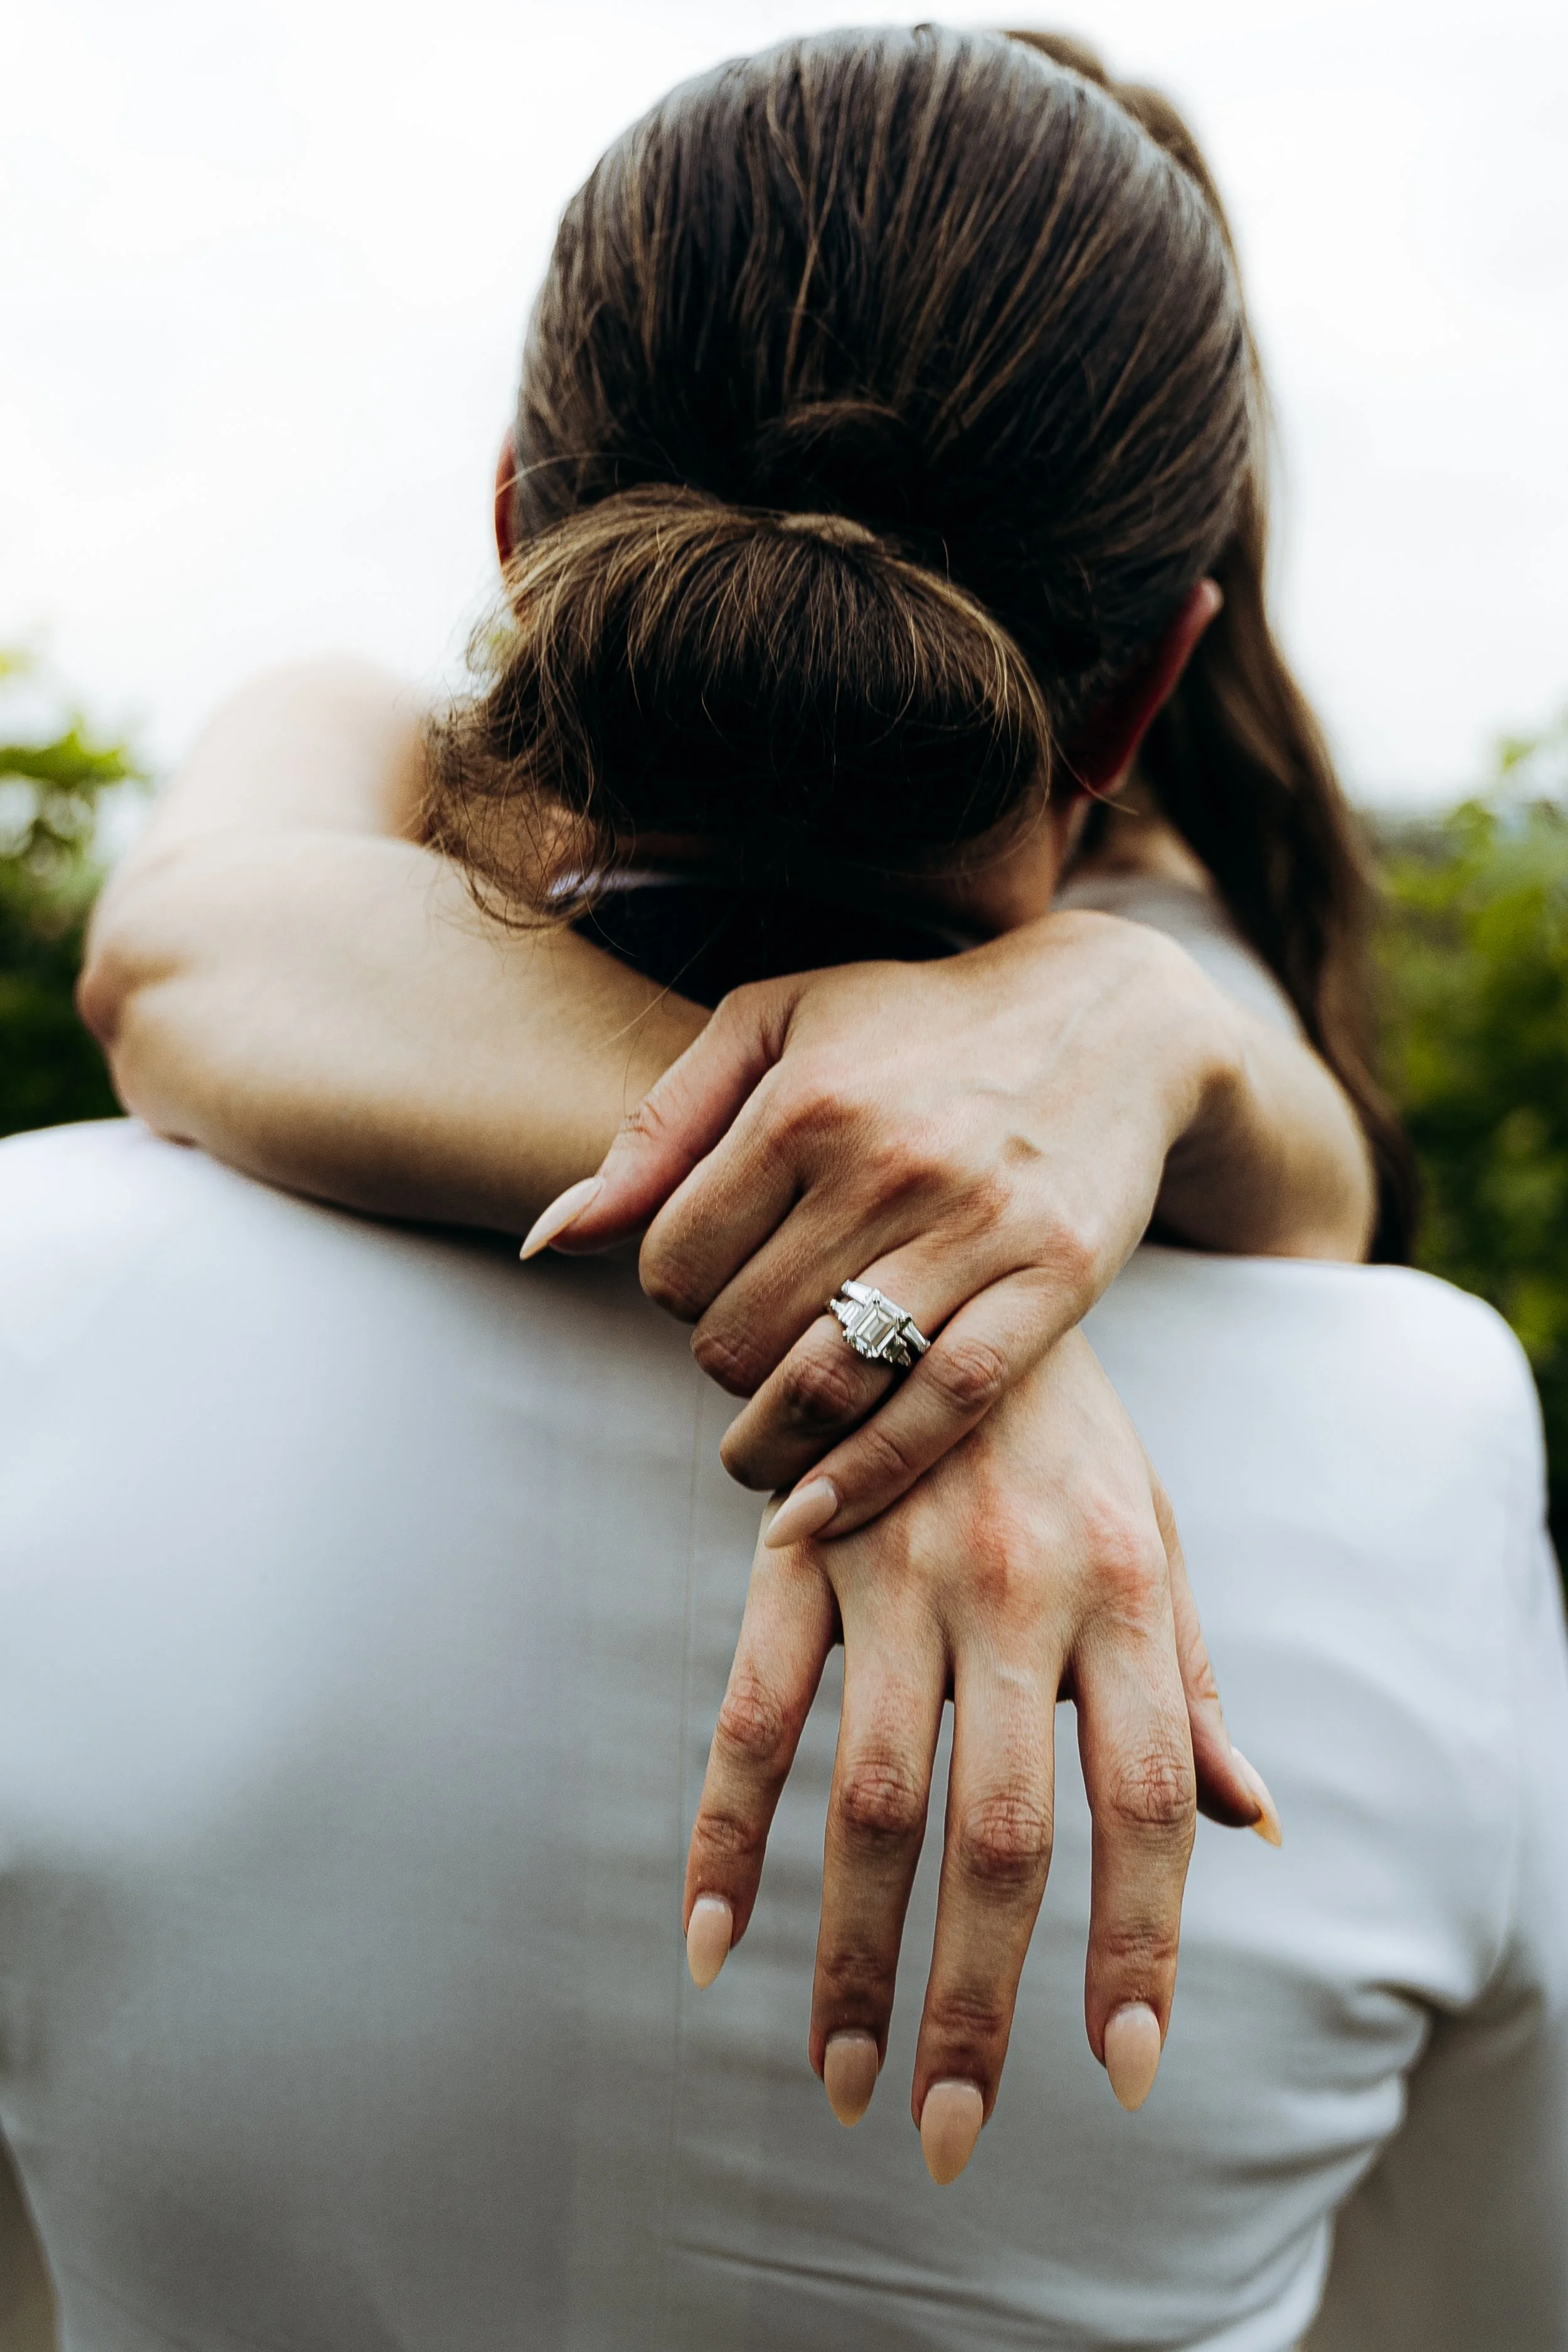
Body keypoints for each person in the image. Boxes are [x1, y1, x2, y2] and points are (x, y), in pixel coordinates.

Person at [2, 25, 1562, 2348]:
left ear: (522, 530)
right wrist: (939, 1287)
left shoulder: (48, 1307)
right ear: (1146, 695)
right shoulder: (1416, 1440)